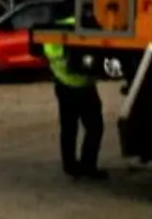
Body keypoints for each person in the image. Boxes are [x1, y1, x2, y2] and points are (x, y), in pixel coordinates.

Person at [41, 15, 106, 180]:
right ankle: (88, 166)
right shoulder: (91, 26)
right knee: (94, 127)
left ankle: (71, 166)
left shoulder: (58, 29)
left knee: (70, 128)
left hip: (65, 85)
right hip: (82, 86)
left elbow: (49, 53)